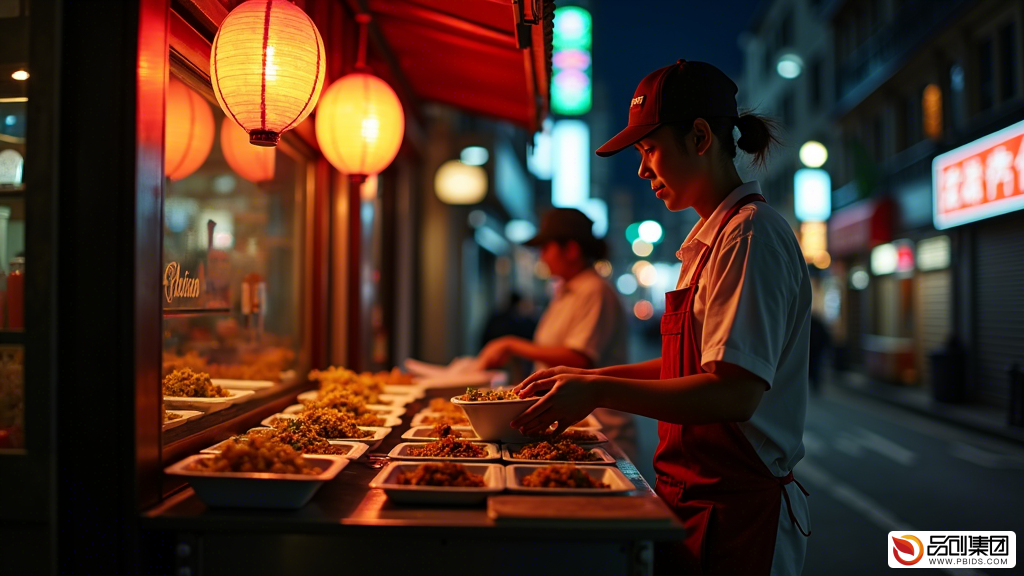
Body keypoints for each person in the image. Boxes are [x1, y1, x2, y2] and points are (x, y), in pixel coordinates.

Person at [510, 60, 812, 575]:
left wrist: (598, 391)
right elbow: (689, 368)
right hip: (693, 500)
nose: (643, 169)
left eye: (649, 150)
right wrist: (586, 378)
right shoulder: (711, 240)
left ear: (699, 137)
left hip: (740, 516)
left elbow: (734, 393)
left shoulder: (749, 236)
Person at [473, 208, 628, 373]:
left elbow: (579, 359)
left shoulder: (594, 290)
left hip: (588, 399)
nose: (542, 257)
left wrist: (511, 345)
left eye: (546, 248)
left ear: (571, 250)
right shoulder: (568, 291)